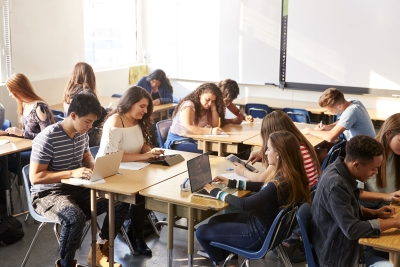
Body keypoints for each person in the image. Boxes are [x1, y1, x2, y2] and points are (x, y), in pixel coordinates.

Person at [30, 92, 129, 267]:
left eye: (92, 122)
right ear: (73, 115)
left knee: (120, 201)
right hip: (47, 193)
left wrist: (95, 167)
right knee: (75, 217)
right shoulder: (47, 138)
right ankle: (66, 264)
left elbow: (87, 157)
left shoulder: (81, 133)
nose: (90, 127)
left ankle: (99, 250)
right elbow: (36, 177)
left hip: (76, 188)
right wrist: (71, 173)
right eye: (88, 121)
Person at [196, 130, 311, 267]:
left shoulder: (278, 182)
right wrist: (232, 183)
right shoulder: (291, 175)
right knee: (214, 220)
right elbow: (264, 187)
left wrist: (215, 192)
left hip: (256, 235)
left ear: (278, 154)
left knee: (201, 232)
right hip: (267, 230)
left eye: (268, 149)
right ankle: (231, 262)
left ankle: (222, 263)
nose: (266, 153)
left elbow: (244, 204)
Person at [311, 134, 400, 267]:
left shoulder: (340, 170)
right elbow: (352, 230)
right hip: (339, 256)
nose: (376, 172)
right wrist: (394, 223)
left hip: (345, 244)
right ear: (356, 165)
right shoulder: (336, 185)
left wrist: (375, 213)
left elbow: (346, 210)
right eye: (373, 168)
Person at [97, 86, 164, 256]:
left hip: (133, 169)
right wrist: (144, 157)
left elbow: (140, 145)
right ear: (130, 103)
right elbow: (112, 156)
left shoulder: (138, 121)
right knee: (138, 193)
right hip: (111, 172)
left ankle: (136, 233)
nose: (145, 110)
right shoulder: (115, 121)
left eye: (147, 107)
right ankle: (138, 238)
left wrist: (150, 151)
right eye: (142, 106)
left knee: (146, 189)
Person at [239, 110, 320, 188]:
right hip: (309, 193)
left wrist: (242, 171)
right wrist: (263, 152)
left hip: (297, 198)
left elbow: (261, 179)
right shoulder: (300, 144)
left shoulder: (285, 152)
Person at [0, 73, 55, 170]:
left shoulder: (39, 108)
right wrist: (6, 133)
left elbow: (47, 139)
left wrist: (22, 133)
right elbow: (24, 135)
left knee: (5, 161)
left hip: (39, 153)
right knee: (4, 160)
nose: (10, 95)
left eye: (11, 91)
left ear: (19, 90)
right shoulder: (23, 104)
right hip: (27, 148)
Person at [164, 82, 225, 153]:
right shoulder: (189, 105)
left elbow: (214, 126)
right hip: (178, 141)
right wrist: (210, 131)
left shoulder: (207, 107)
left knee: (215, 149)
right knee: (207, 151)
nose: (209, 104)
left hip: (193, 139)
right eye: (207, 100)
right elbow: (188, 128)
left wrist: (213, 108)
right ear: (200, 94)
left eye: (213, 101)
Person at [301, 88, 375, 142]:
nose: (329, 112)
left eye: (329, 110)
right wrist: (328, 127)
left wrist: (309, 130)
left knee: (318, 153)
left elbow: (330, 137)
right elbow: (344, 121)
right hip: (362, 145)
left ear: (339, 106)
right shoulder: (353, 102)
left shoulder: (351, 111)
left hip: (363, 152)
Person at [358, 113, 400, 208]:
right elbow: (356, 193)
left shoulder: (396, 152)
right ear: (388, 134)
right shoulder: (367, 153)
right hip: (373, 209)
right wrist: (387, 197)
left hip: (392, 205)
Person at [62, 62, 108, 146]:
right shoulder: (86, 93)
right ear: (90, 77)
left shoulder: (68, 93)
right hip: (87, 136)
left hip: (73, 135)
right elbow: (99, 116)